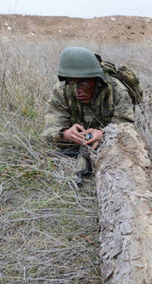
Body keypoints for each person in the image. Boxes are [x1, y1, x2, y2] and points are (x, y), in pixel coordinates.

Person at [42, 46, 136, 182]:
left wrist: (104, 134)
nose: (77, 90)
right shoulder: (62, 90)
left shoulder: (117, 92)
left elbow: (127, 128)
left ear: (96, 80)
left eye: (82, 82)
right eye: (71, 82)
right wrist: (64, 133)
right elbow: (49, 130)